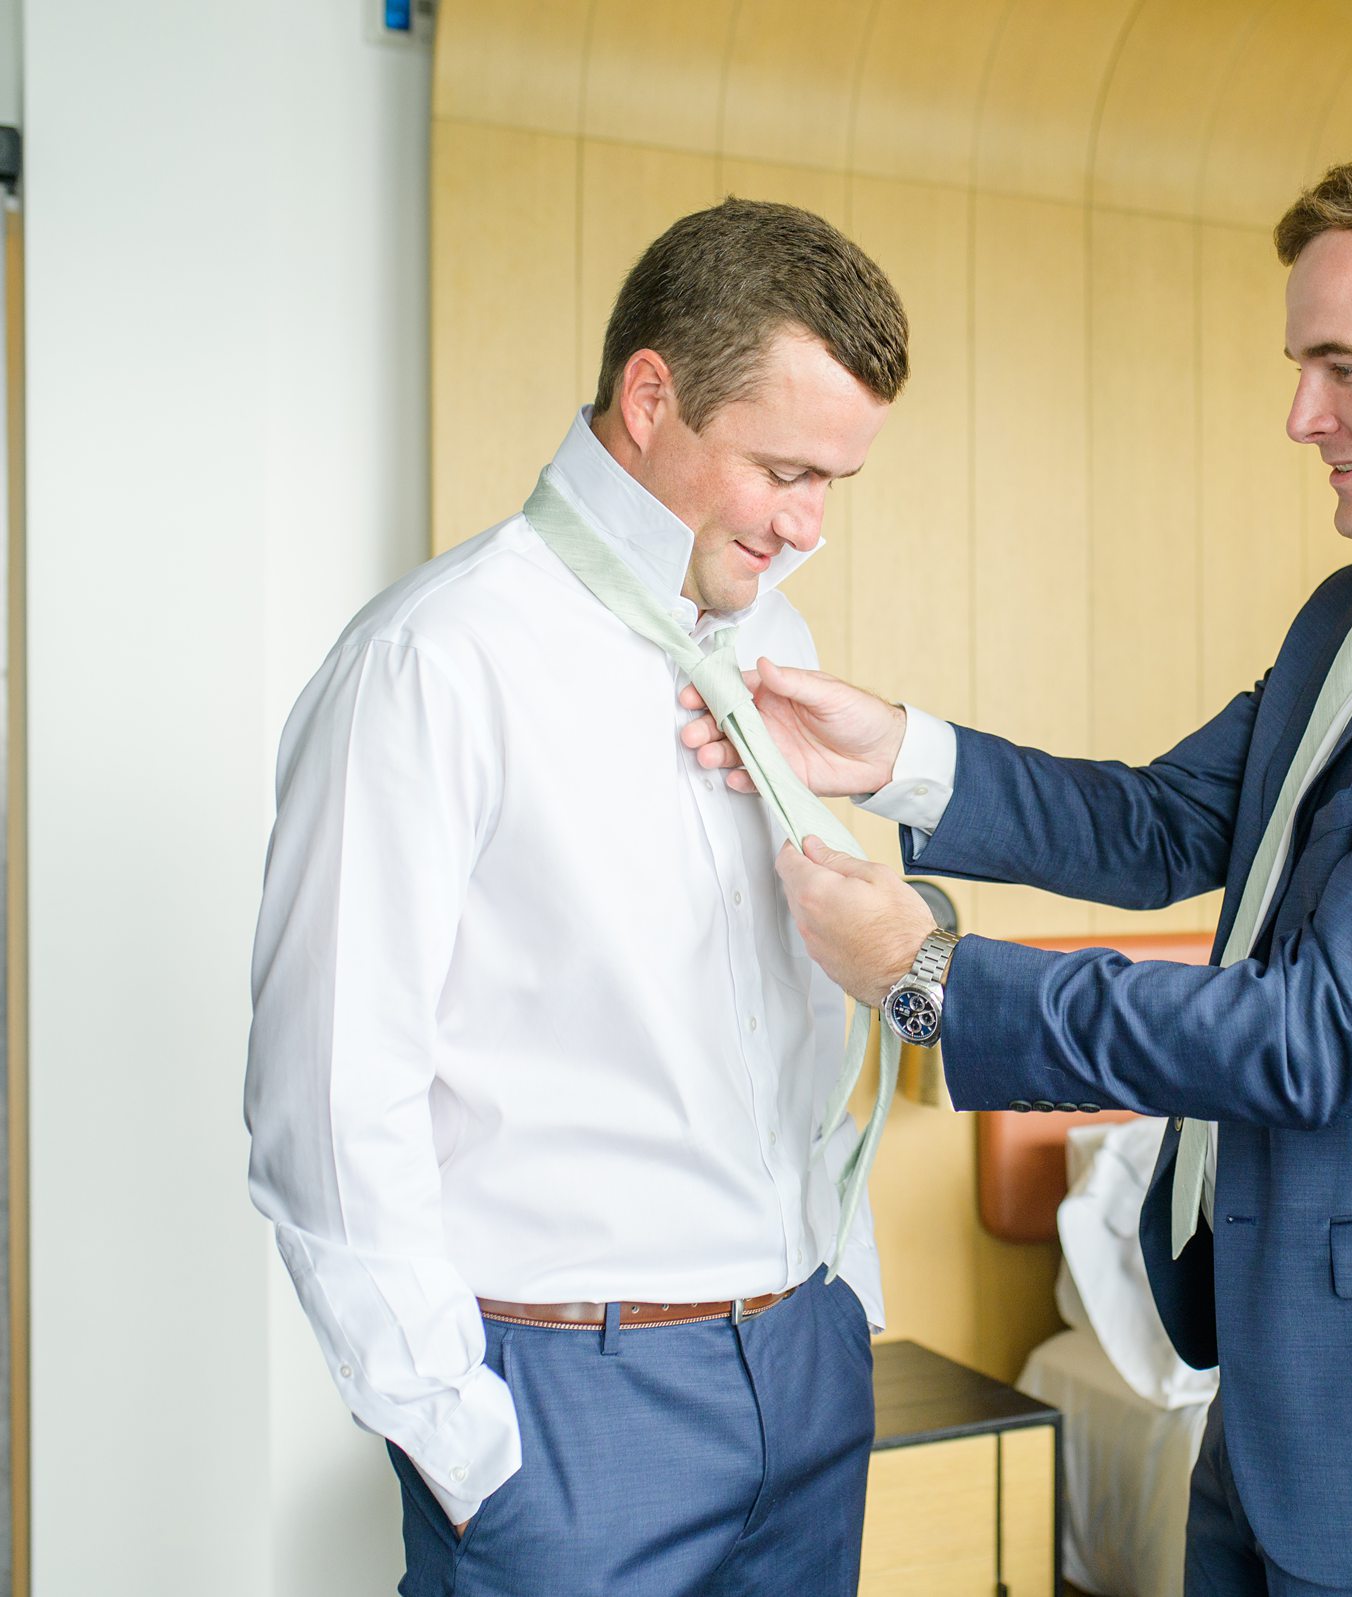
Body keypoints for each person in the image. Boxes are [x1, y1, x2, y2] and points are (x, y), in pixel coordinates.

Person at [690, 126, 1352, 1596]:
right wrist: (897, 750)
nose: (1301, 415)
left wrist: (927, 977)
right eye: (1301, 365)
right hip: (1288, 1390)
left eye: (1345, 367)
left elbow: (1318, 1033)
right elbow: (1169, 822)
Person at [244, 197, 908, 1597]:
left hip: (801, 1366)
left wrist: (840, 1297)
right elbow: (326, 1101)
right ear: (652, 395)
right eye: (784, 469)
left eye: (834, 484)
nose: (808, 529)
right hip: (568, 1409)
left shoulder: (766, 632)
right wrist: (466, 1445)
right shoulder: (434, 663)